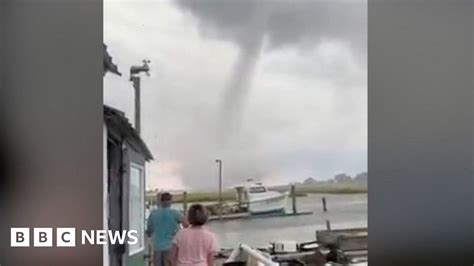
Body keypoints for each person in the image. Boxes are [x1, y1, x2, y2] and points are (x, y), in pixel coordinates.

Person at [146, 192, 187, 266]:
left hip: (157, 247)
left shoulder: (153, 214)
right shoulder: (175, 213)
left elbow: (149, 231)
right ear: (171, 201)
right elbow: (186, 225)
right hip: (171, 246)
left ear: (160, 201)